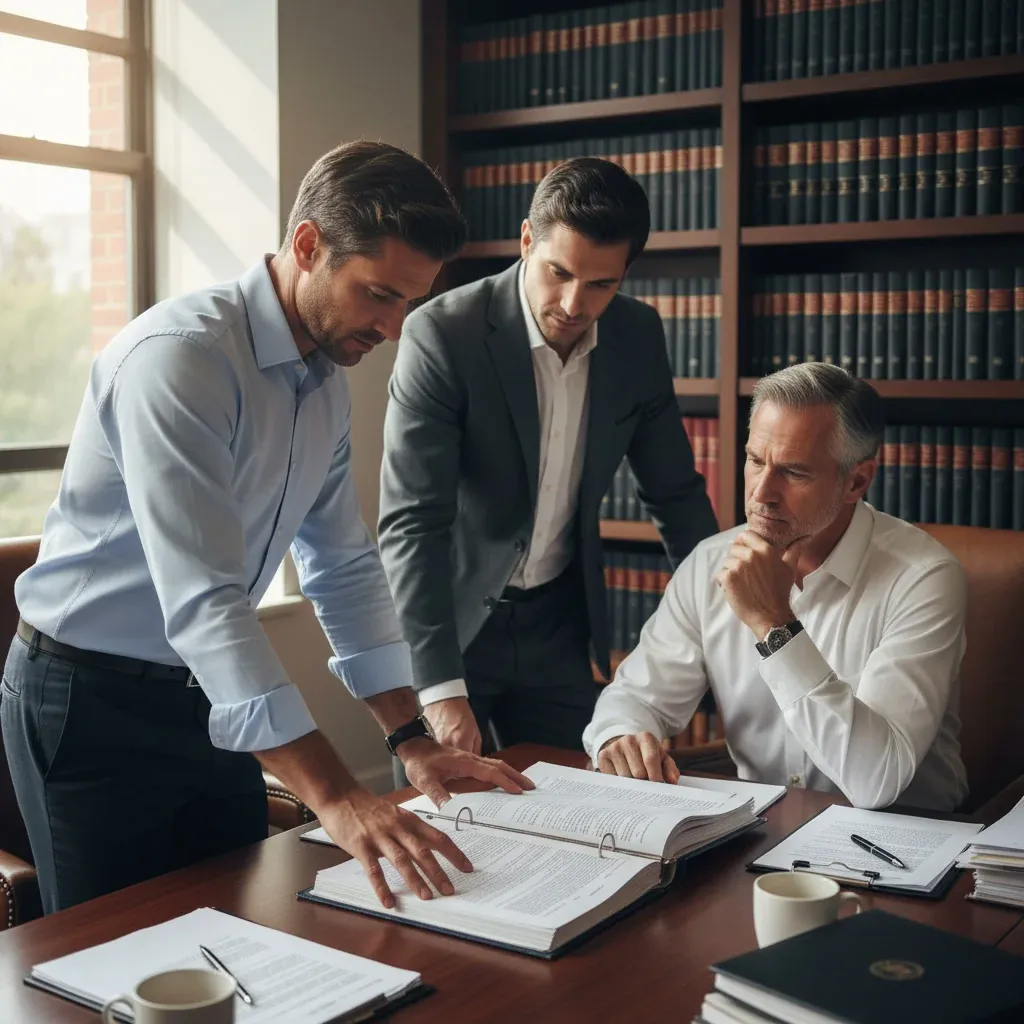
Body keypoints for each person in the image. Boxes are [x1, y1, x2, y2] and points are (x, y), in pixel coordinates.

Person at [2, 140, 531, 916]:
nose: (391, 329)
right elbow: (207, 602)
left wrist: (410, 737)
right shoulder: (179, 361)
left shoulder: (322, 383)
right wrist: (338, 797)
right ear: (308, 245)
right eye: (378, 293)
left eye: (408, 303)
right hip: (88, 703)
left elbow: (344, 569)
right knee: (112, 961)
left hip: (207, 703)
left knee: (233, 927)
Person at [378, 157, 718, 768]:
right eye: (557, 272)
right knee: (446, 819)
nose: (572, 302)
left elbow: (675, 495)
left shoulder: (637, 336)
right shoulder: (442, 335)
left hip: (560, 627)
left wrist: (729, 624)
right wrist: (437, 685)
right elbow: (412, 523)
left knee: (581, 811)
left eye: (600, 285)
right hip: (451, 624)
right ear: (527, 239)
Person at [585, 362, 969, 812]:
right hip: (761, 833)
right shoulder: (710, 561)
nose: (762, 492)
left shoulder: (923, 578)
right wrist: (621, 736)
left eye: (794, 472)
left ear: (856, 481)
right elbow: (634, 697)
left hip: (908, 842)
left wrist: (773, 624)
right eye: (754, 460)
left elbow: (876, 781)